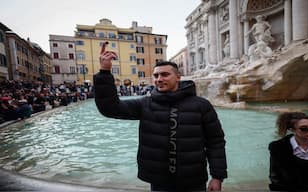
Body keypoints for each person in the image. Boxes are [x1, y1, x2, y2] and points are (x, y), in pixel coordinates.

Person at [93, 43, 228, 191]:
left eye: (165, 74)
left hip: (193, 179)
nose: (159, 79)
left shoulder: (202, 105)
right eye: (156, 75)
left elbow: (215, 142)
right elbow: (110, 108)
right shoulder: (145, 104)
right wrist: (104, 72)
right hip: (159, 181)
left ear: (178, 77)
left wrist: (217, 176)